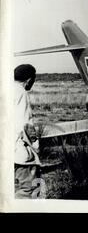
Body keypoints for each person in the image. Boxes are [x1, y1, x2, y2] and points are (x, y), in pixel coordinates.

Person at [14, 64, 41, 198]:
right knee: (28, 191)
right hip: (20, 153)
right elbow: (25, 125)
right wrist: (35, 145)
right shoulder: (21, 93)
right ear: (29, 80)